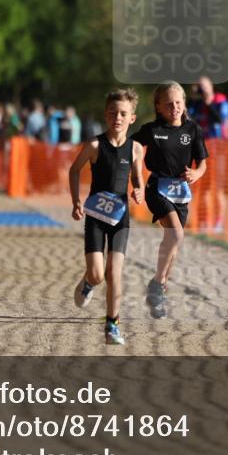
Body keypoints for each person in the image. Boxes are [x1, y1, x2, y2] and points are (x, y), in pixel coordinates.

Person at [69, 88, 145, 344]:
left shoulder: (136, 149)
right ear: (105, 115)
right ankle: (89, 282)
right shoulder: (94, 145)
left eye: (123, 113)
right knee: (98, 274)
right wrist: (76, 201)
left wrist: (139, 190)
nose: (117, 117)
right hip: (95, 216)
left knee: (114, 272)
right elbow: (74, 170)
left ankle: (112, 325)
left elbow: (138, 178)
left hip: (120, 218)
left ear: (132, 118)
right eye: (112, 112)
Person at [132, 81, 208, 319]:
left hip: (181, 191)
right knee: (176, 234)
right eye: (168, 104)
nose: (174, 107)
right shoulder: (152, 129)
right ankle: (157, 284)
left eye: (178, 102)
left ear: (184, 103)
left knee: (173, 242)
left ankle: (158, 290)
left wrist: (196, 173)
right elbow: (130, 146)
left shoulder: (193, 130)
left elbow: (202, 163)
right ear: (158, 107)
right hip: (157, 187)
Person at [188, 77, 228, 231]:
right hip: (201, 151)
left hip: (218, 151)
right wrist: (193, 97)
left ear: (211, 87)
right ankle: (203, 221)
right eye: (199, 86)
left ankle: (218, 222)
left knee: (218, 188)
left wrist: (208, 101)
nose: (201, 89)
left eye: (204, 86)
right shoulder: (196, 105)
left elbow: (219, 119)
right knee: (203, 188)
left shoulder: (221, 102)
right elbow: (186, 118)